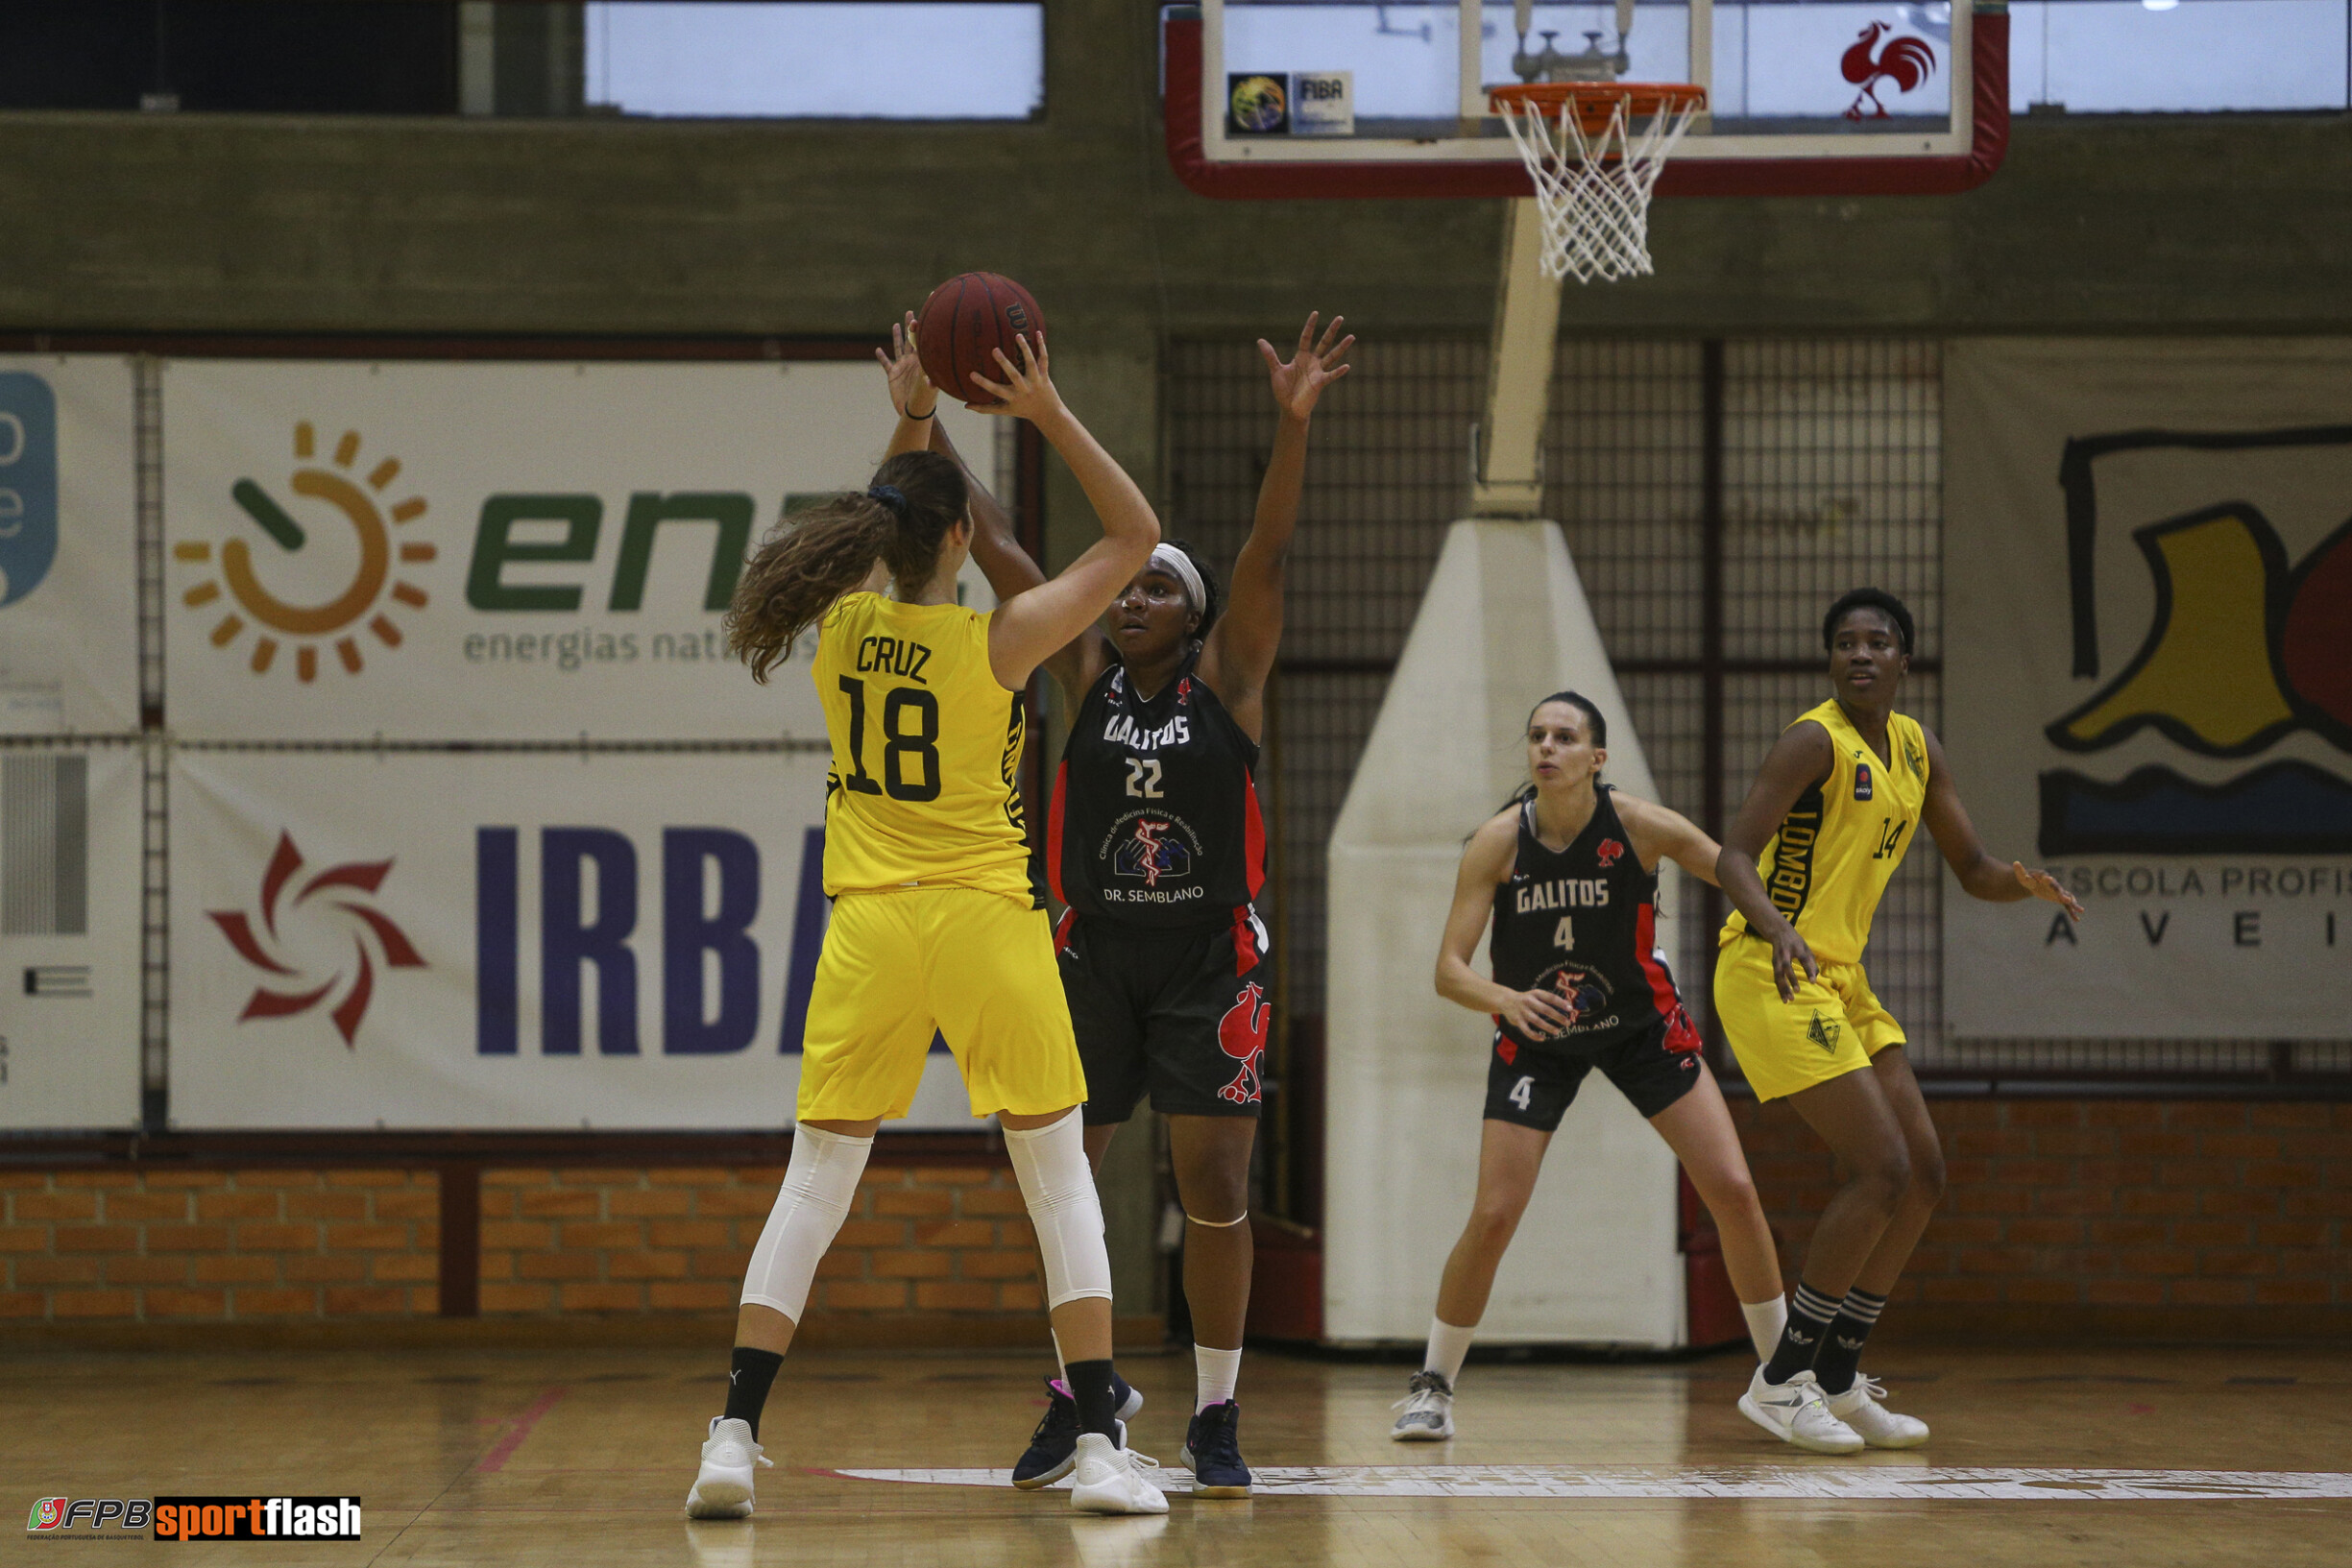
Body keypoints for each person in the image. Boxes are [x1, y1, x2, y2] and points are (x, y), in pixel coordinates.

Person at [684, 330, 1168, 1519]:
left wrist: (907, 420)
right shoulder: (1000, 641)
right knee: (1059, 1187)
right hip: (984, 921)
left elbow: (894, 516)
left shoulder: (840, 629)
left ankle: (732, 1439)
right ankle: (1100, 1449)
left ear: (876, 539)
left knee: (814, 1184)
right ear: (963, 538)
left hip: (871, 930)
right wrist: (1046, 408)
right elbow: (1135, 538)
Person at [883, 311, 1351, 1500]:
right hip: (1090, 957)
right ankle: (1084, 1394)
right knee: (1062, 1178)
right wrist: (925, 415)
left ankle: (1215, 1411)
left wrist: (1290, 429)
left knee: (1216, 1191)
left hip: (1208, 961)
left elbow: (1270, 553)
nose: (1130, 597)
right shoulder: (1078, 670)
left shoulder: (1232, 685)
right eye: (1124, 586)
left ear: (1193, 618)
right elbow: (983, 533)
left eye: (1154, 587)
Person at [1715, 588, 2083, 1454]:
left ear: (1903, 661)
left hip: (1840, 977)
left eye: (1877, 642)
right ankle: (1780, 1380)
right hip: (1768, 966)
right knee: (1877, 1167)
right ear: (1830, 661)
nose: (1859, 654)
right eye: (1844, 643)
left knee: (1922, 1173)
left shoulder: (1917, 749)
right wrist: (1775, 928)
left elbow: (1973, 865)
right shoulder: (1813, 742)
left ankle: (1837, 1378)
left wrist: (2021, 883)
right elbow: (1733, 855)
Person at [1389, 692, 1789, 1441]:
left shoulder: (1639, 825)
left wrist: (1782, 931)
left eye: (1564, 736)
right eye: (1537, 734)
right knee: (1494, 1213)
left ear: (1595, 758)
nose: (1546, 746)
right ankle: (1432, 1384)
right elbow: (1447, 970)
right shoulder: (1497, 842)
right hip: (1538, 1034)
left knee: (1733, 1188)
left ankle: (1785, 1380)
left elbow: (1733, 871)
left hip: (1639, 1027)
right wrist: (1505, 999)